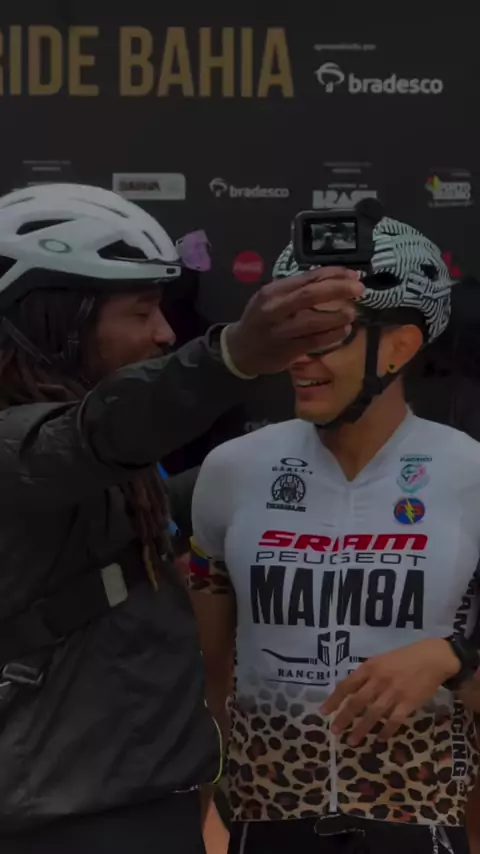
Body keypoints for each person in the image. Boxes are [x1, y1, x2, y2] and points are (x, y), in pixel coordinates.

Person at [0, 182, 364, 853]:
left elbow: (131, 521)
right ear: (57, 319)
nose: (166, 333)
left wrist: (298, 451)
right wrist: (232, 356)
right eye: (142, 311)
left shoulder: (74, 463)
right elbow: (108, 428)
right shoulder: (31, 444)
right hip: (68, 821)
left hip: (131, 799)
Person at [189, 212, 480, 854]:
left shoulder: (470, 474)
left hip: (421, 822)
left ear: (400, 346)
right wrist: (198, 826)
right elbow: (204, 679)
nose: (298, 357)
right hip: (267, 822)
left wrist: (453, 660)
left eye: (325, 336)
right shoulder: (232, 470)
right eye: (292, 332)